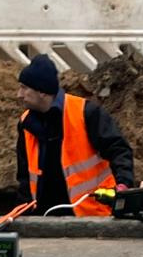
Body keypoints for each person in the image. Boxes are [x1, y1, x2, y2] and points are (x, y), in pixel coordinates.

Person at [12, 53, 136, 217]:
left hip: (91, 214)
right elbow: (25, 177)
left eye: (24, 88)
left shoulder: (86, 113)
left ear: (42, 92)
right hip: (44, 216)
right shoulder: (26, 123)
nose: (19, 94)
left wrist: (123, 186)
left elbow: (119, 150)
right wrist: (26, 214)